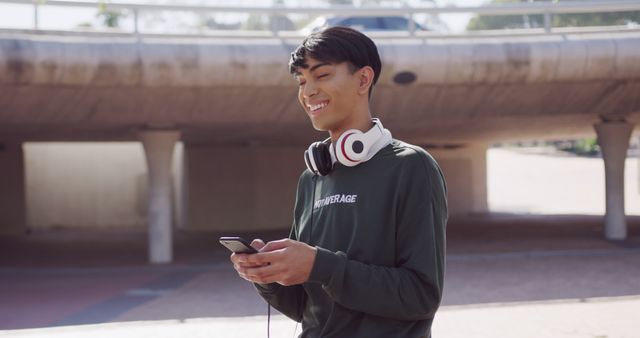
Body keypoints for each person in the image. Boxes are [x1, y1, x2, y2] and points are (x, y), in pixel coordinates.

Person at [230, 26, 447, 338]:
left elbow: (420, 297)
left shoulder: (412, 167)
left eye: (322, 75)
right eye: (302, 81)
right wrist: (267, 276)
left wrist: (322, 265)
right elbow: (306, 307)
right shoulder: (312, 178)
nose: (307, 92)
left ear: (363, 79)